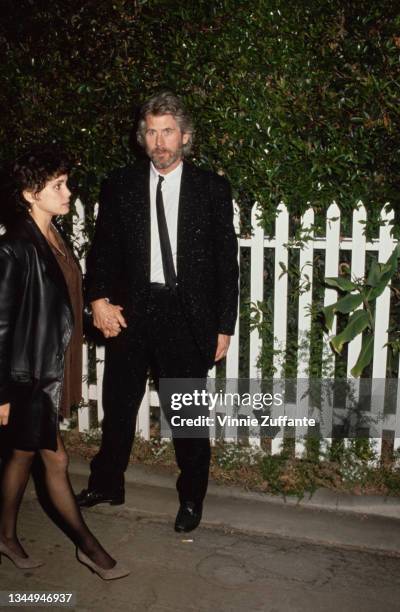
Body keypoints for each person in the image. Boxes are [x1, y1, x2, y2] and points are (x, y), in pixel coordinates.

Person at [77, 92, 239, 532]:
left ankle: (191, 498)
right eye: (151, 131)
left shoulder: (211, 188)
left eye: (168, 131)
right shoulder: (121, 185)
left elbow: (227, 261)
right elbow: (103, 250)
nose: (159, 141)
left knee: (185, 413)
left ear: (185, 136)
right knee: (118, 403)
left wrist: (224, 325)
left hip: (186, 317)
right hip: (133, 310)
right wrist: (97, 299)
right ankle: (108, 482)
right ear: (142, 137)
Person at [0, 146, 129, 580]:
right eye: (58, 185)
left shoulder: (54, 236)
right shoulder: (13, 248)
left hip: (51, 366)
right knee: (54, 459)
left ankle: (4, 535)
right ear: (30, 194)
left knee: (21, 454)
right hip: (28, 376)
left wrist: (99, 312)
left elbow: (63, 301)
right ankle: (89, 548)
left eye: (66, 182)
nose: (68, 191)